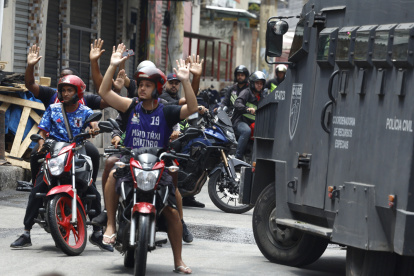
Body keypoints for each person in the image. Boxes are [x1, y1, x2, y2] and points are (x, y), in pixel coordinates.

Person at [98, 43, 196, 274]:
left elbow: (192, 107)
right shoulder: (131, 106)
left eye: (147, 85)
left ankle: (178, 261)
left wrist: (186, 81)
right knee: (113, 174)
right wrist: (112, 66)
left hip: (157, 166)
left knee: (172, 213)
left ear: (157, 88)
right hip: (131, 161)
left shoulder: (167, 110)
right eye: (140, 84)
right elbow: (104, 93)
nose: (142, 89)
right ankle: (111, 224)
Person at [10, 75, 112, 252]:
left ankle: (97, 232)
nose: (65, 94)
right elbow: (43, 131)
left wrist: (94, 128)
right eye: (63, 90)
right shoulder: (53, 108)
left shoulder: (85, 110)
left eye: (69, 90)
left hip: (77, 150)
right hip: (56, 151)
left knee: (92, 191)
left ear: (78, 92)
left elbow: (93, 122)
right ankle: (26, 233)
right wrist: (41, 144)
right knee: (38, 189)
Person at [25, 44, 111, 186]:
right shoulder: (52, 100)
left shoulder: (86, 103)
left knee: (94, 154)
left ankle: (91, 184)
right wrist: (30, 66)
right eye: (62, 83)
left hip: (76, 143)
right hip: (54, 144)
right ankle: (36, 184)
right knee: (35, 154)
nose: (65, 91)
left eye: (69, 86)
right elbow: (30, 85)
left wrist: (94, 63)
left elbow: (105, 99)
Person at [160, 72, 206, 208]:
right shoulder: (164, 98)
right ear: (165, 84)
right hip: (168, 138)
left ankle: (188, 195)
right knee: (185, 156)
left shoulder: (177, 96)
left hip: (180, 135)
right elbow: (186, 103)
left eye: (176, 83)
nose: (174, 85)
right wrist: (195, 78)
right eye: (171, 83)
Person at [232, 71, 266, 160]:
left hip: (253, 123)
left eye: (261, 84)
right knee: (246, 131)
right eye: (257, 83)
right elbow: (237, 103)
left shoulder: (262, 97)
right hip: (240, 121)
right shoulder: (246, 92)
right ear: (252, 83)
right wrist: (247, 109)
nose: (259, 85)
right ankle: (237, 158)